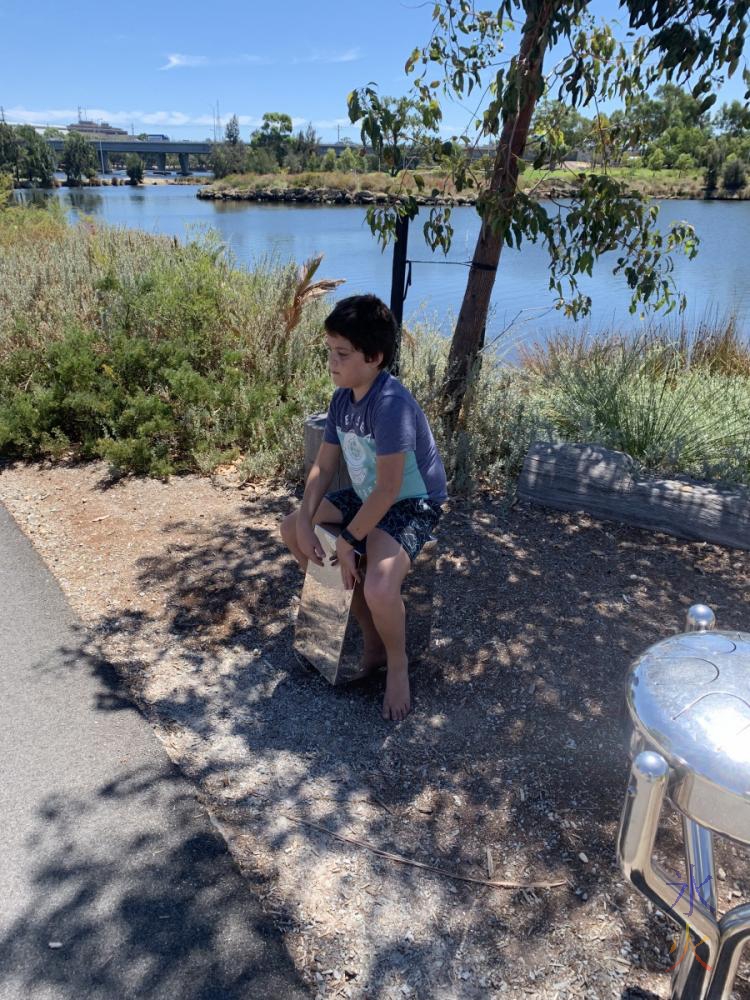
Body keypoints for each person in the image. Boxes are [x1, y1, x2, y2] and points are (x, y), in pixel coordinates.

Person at [281, 294, 448, 721]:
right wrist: (304, 520)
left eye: (342, 354)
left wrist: (352, 539)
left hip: (411, 501)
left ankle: (397, 663)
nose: (332, 363)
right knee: (291, 530)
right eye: (329, 353)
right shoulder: (341, 400)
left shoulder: (390, 405)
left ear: (374, 357)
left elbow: (390, 489)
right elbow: (324, 466)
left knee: (378, 585)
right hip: (367, 494)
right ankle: (369, 634)